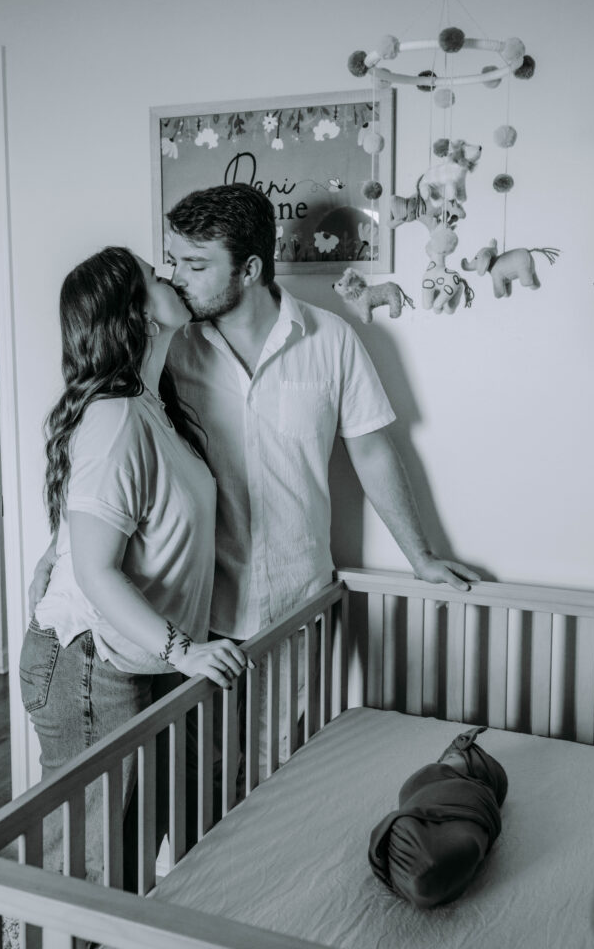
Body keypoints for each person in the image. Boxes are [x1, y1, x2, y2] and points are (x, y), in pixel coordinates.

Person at [30, 184, 478, 759]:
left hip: (294, 605)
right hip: (191, 613)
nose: (178, 277)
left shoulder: (331, 340)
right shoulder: (169, 348)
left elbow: (371, 450)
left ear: (249, 268)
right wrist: (60, 547)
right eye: (173, 263)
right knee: (192, 790)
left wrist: (421, 557)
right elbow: (110, 464)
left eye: (196, 264)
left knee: (278, 773)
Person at [20, 246, 250, 885]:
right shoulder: (116, 417)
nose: (171, 275)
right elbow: (98, 572)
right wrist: (187, 651)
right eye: (156, 276)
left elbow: (114, 525)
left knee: (139, 847)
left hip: (136, 651)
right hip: (92, 662)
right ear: (138, 314)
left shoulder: (152, 405)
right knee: (95, 868)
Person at [368, 726, 508, 907]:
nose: (440, 762)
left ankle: (430, 871)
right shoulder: (454, 786)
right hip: (442, 837)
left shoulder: (477, 792)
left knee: (456, 844)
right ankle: (429, 874)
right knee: (451, 848)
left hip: (455, 837)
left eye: (450, 758)